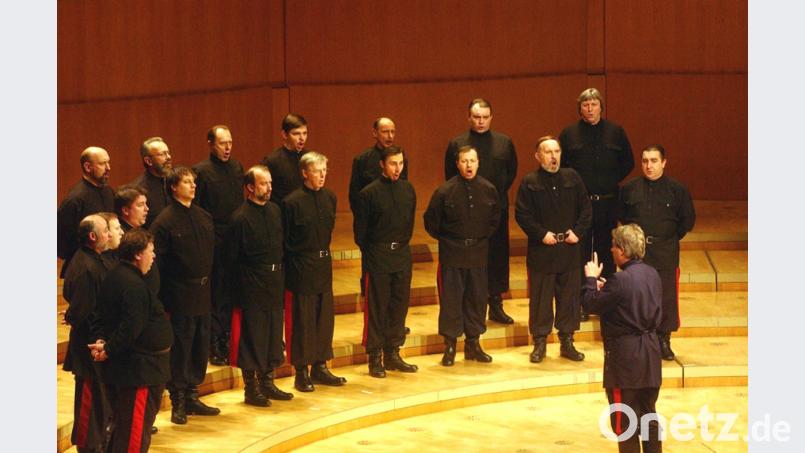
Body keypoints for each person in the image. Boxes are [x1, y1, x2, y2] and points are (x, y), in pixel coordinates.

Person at [89, 229, 173, 453]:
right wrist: (108, 349)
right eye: (151, 251)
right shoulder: (133, 285)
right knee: (132, 436)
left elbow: (99, 316)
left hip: (135, 369)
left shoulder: (115, 276)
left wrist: (103, 342)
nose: (153, 256)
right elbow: (131, 327)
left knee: (124, 430)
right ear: (138, 254)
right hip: (139, 372)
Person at [582, 224, 663, 452]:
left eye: (614, 246)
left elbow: (590, 304)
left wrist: (590, 280)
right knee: (648, 417)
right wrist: (608, 288)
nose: (611, 250)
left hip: (627, 360)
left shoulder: (620, 280)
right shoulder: (652, 273)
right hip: (650, 355)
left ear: (623, 251)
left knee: (625, 422)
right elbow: (631, 297)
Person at [150, 166, 219, 424]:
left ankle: (192, 393)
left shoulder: (203, 216)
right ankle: (178, 399)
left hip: (203, 292)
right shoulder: (164, 221)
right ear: (173, 187)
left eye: (193, 182)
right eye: (187, 182)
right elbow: (159, 262)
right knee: (181, 347)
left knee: (200, 344)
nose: (193, 186)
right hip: (178, 294)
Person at [515, 136, 592, 363]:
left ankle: (567, 341)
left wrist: (577, 232)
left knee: (569, 298)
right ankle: (540, 343)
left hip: (569, 250)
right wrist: (541, 234)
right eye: (548, 152)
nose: (553, 156)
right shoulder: (529, 182)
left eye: (556, 151)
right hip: (543, 250)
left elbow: (585, 209)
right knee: (541, 298)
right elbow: (522, 214)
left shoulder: (573, 178)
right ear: (538, 156)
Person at [559, 88, 634, 321]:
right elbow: (562, 167)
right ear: (579, 108)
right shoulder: (569, 134)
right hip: (580, 204)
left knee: (607, 251)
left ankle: (606, 301)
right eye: (585, 105)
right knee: (580, 252)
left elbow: (628, 163)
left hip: (608, 202)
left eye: (593, 104)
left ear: (601, 106)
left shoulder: (616, 132)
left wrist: (608, 182)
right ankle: (583, 302)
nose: (590, 108)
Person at [224, 165, 294, 406]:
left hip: (274, 282)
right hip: (251, 286)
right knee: (252, 338)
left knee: (273, 335)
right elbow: (231, 259)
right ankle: (251, 389)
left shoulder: (275, 211)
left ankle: (268, 381)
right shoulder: (240, 218)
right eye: (264, 183)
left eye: (270, 182)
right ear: (250, 188)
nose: (269, 187)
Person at [425, 145, 500, 366]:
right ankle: (450, 346)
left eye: (472, 161)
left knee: (477, 299)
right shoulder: (444, 191)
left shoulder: (488, 189)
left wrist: (479, 238)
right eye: (464, 161)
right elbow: (431, 222)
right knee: (452, 300)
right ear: (457, 164)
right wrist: (450, 240)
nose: (469, 165)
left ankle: (473, 344)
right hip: (452, 254)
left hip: (478, 253)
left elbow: (495, 220)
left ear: (478, 163)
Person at [444, 98, 517, 325]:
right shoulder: (457, 143)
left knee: (497, 257)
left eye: (485, 117)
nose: (481, 121)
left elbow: (511, 171)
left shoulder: (504, 142)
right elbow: (450, 175)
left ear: (491, 118)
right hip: (467, 213)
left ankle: (495, 304)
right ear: (469, 118)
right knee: (472, 260)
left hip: (496, 209)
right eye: (477, 117)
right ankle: (472, 308)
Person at [619, 144, 695, 361]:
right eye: (645, 161)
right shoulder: (629, 189)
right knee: (636, 297)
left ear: (663, 162)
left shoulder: (677, 190)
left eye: (653, 161)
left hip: (665, 251)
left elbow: (686, 221)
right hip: (637, 254)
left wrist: (667, 239)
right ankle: (638, 341)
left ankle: (664, 340)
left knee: (666, 298)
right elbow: (622, 217)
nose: (649, 166)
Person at [281, 152, 346, 391]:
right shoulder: (291, 202)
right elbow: (286, 241)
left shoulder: (330, 197)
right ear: (305, 173)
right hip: (301, 267)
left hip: (322, 265)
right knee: (303, 321)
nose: (322, 176)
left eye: (324, 171)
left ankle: (320, 366)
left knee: (323, 319)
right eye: (318, 171)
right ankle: (301, 372)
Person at [353, 146, 418, 378]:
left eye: (400, 163)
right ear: (382, 164)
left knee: (398, 307)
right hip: (378, 257)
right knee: (377, 308)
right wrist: (375, 253)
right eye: (393, 164)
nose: (397, 168)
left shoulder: (408, 189)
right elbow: (361, 234)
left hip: (401, 255)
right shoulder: (369, 193)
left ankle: (393, 353)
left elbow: (408, 224)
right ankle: (375, 357)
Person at [348, 117, 412, 334]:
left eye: (393, 131)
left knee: (397, 296)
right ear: (374, 132)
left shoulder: (404, 174)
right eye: (385, 131)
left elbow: (406, 206)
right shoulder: (363, 160)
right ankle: (376, 339)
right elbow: (355, 198)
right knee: (376, 294)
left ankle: (394, 332)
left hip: (395, 238)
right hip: (374, 237)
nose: (389, 135)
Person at [193, 125, 245, 366]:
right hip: (214, 239)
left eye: (230, 142)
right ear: (210, 144)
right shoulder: (201, 172)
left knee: (232, 290)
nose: (228, 148)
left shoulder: (236, 168)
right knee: (217, 293)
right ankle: (214, 342)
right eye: (223, 143)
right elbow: (200, 209)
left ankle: (229, 338)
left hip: (234, 238)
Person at [62, 215, 111, 453]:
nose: (109, 235)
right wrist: (99, 343)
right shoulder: (85, 266)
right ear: (93, 236)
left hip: (95, 343)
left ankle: (96, 443)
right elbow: (83, 311)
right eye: (105, 231)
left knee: (99, 400)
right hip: (89, 346)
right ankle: (88, 446)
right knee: (90, 401)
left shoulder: (93, 260)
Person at [57, 146, 114, 276]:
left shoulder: (108, 192)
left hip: (106, 265)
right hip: (84, 270)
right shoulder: (75, 200)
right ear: (88, 167)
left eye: (108, 162)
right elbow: (62, 244)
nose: (108, 168)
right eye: (102, 163)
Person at [114, 185, 161, 298]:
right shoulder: (121, 238)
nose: (147, 209)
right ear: (125, 210)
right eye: (140, 205)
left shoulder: (138, 231)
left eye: (146, 204)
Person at [262, 113, 309, 203]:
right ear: (284, 134)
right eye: (296, 134)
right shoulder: (272, 161)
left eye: (305, 133)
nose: (302, 138)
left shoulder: (310, 159)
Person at [131, 137, 173, 228]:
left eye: (168, 153)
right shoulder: (138, 190)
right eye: (162, 154)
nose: (168, 157)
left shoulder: (175, 181)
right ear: (148, 161)